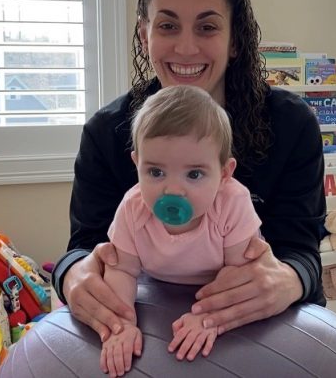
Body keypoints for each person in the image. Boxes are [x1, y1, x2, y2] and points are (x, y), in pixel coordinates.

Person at [52, 0, 326, 348]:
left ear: (235, 40)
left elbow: (303, 252)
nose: (185, 47)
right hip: (148, 327)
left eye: (207, 27)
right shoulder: (106, 132)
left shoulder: (291, 124)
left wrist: (287, 281)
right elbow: (84, 246)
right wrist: (74, 277)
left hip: (261, 329)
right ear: (145, 34)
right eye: (167, 26)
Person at [101, 85, 262, 375]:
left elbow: (239, 275)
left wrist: (208, 317)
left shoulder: (232, 203)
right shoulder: (133, 207)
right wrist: (122, 323)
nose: (173, 190)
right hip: (159, 289)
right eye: (156, 172)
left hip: (219, 285)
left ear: (224, 173)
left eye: (194, 174)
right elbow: (122, 270)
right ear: (137, 164)